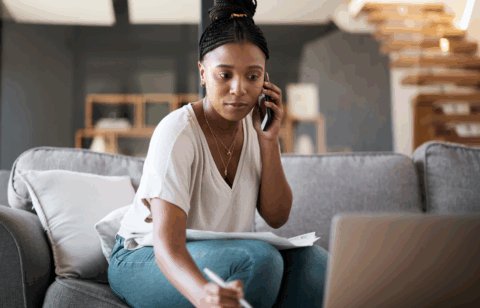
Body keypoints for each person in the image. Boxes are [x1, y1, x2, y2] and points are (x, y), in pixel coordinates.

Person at [108, 0, 329, 307]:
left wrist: (269, 141)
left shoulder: (258, 127)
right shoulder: (177, 133)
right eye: (224, 75)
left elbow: (277, 217)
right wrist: (202, 295)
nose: (239, 88)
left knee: (314, 261)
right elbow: (167, 246)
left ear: (265, 80)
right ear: (203, 73)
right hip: (142, 257)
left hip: (215, 252)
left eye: (252, 77)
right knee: (259, 261)